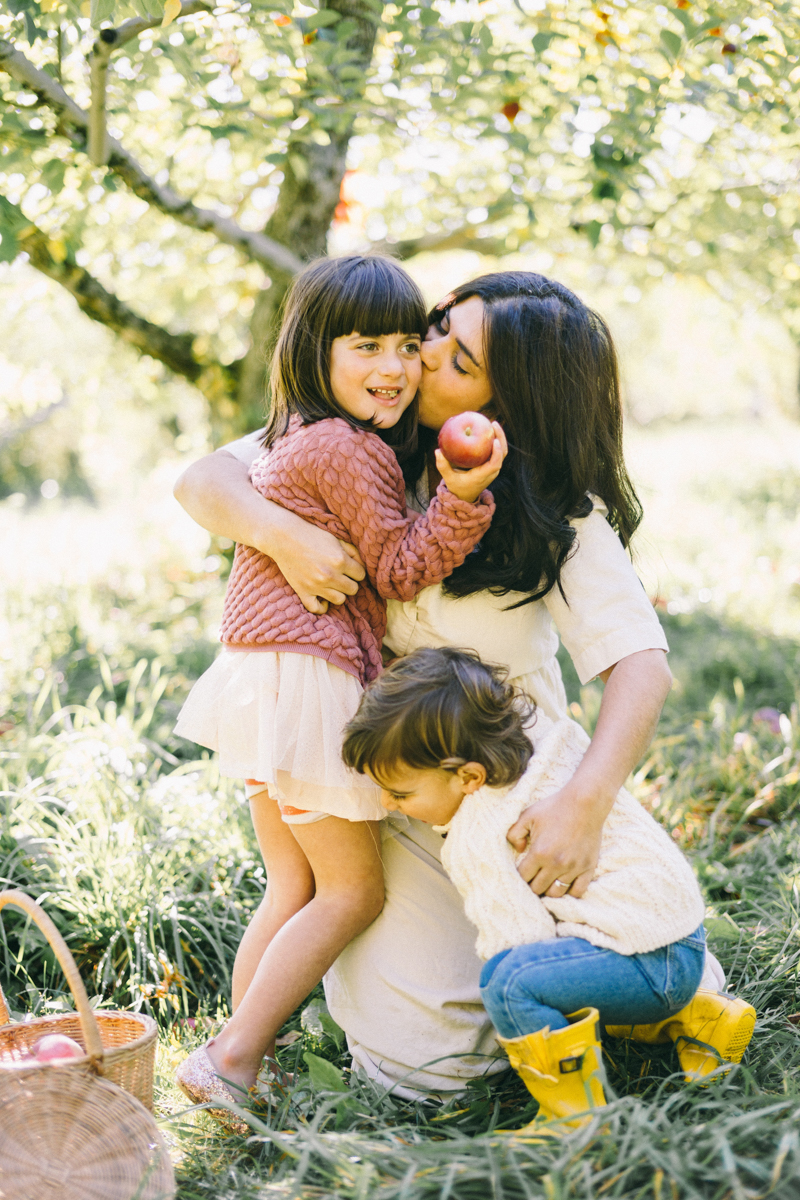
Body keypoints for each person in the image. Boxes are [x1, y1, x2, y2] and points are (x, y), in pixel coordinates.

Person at [174, 269, 723, 1097]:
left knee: (532, 994)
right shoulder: (357, 431)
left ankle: (639, 968)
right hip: (388, 788)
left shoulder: (550, 507)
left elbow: (640, 664)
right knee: (430, 1066)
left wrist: (584, 804)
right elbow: (203, 480)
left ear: (504, 404)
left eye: (452, 357)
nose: (417, 358)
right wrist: (282, 535)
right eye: (434, 328)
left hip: (509, 793)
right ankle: (241, 1048)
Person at [172, 256, 506, 1127]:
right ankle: (232, 1059)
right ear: (314, 351)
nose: (394, 367)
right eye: (366, 346)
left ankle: (244, 1063)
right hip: (314, 678)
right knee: (353, 892)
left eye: (407, 344)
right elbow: (398, 568)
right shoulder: (349, 447)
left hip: (264, 679)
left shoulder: (296, 436)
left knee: (291, 887)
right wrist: (464, 498)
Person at [342, 647, 757, 1135]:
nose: (388, 803)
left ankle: (575, 1119)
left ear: (469, 776)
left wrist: (519, 1022)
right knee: (573, 958)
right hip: (683, 941)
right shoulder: (550, 744)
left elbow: (521, 940)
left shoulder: (480, 834)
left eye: (402, 793)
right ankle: (702, 1017)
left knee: (511, 980)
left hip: (650, 966)